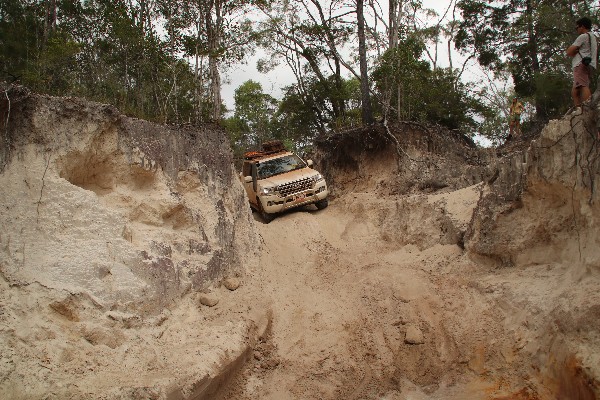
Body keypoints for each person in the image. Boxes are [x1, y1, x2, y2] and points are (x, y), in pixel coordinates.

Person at [566, 17, 598, 107]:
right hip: (590, 64)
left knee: (583, 86)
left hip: (580, 64)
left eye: (577, 27)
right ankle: (578, 109)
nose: (577, 30)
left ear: (582, 26)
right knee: (575, 90)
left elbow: (569, 51)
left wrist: (574, 51)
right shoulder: (593, 37)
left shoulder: (583, 36)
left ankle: (588, 107)